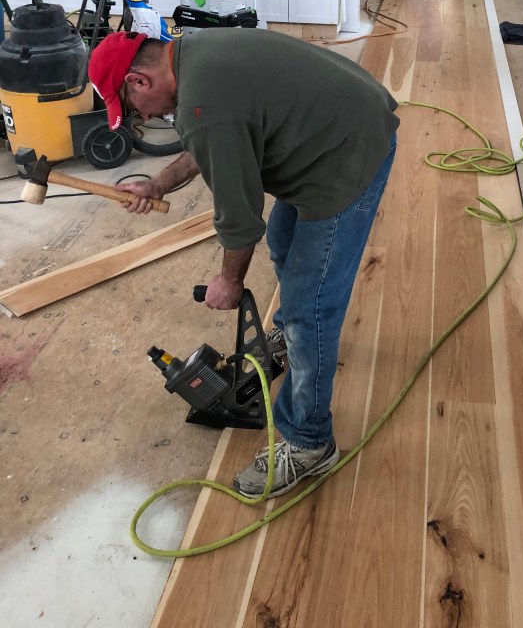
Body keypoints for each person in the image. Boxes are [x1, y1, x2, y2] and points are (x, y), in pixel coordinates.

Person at [88, 28, 398, 498]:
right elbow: (214, 137)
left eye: (131, 109)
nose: (142, 118)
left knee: (310, 307)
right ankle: (293, 337)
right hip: (335, 124)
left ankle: (310, 441)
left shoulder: (201, 102)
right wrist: (157, 184)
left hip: (346, 152)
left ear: (138, 81)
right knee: (285, 242)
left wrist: (228, 281)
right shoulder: (190, 58)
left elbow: (238, 216)